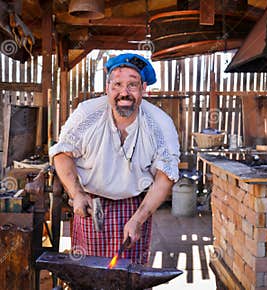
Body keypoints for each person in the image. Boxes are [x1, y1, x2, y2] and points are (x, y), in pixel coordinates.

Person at [49, 53, 180, 264]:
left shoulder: (160, 124)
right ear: (107, 88)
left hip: (134, 207)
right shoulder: (87, 114)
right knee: (88, 272)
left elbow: (165, 177)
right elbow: (62, 154)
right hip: (92, 204)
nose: (124, 93)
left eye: (132, 85)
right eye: (117, 84)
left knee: (129, 273)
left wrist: (138, 219)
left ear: (144, 89)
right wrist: (77, 194)